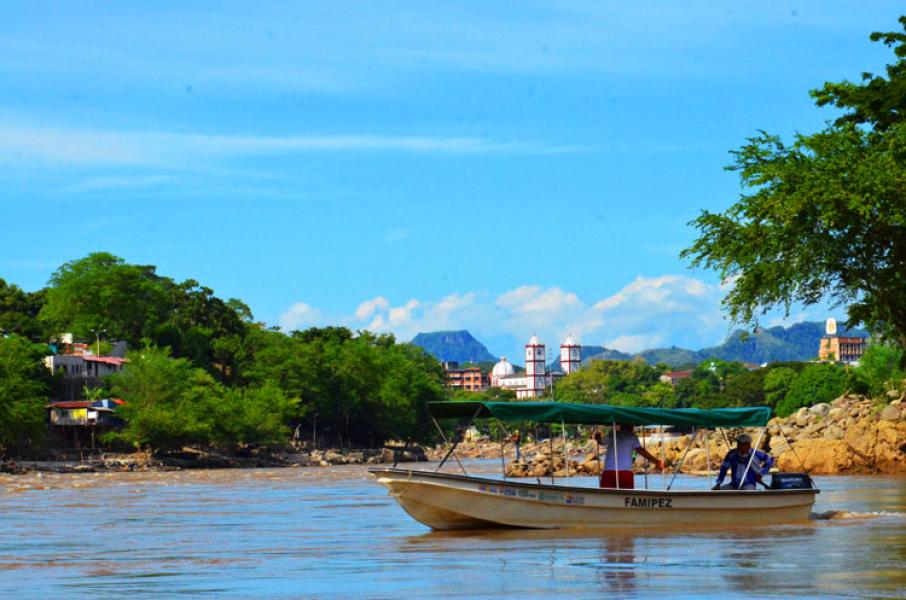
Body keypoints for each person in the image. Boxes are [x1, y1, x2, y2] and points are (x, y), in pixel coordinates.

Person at [595, 424, 665, 489]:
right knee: (626, 495)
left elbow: (601, 442)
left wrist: (597, 437)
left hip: (608, 472)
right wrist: (657, 462)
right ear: (631, 426)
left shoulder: (612, 434)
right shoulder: (632, 437)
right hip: (625, 473)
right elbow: (640, 450)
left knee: (607, 495)